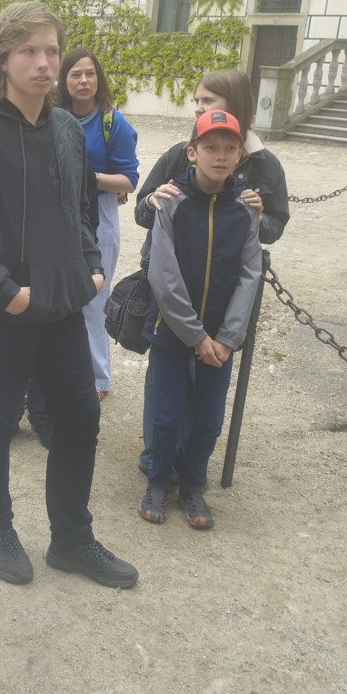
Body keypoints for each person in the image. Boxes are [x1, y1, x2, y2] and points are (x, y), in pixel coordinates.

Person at [0, 1, 138, 590]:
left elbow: (82, 207)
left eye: (51, 51)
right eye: (29, 51)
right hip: (7, 312)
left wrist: (92, 268)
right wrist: (7, 293)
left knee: (81, 418)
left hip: (63, 302)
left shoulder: (66, 127)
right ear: (3, 59)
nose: (44, 63)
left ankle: (71, 539)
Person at [134, 68, 289, 478]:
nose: (198, 108)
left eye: (208, 101)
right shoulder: (180, 152)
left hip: (221, 297)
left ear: (234, 107)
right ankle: (157, 463)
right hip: (174, 290)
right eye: (198, 100)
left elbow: (274, 226)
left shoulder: (265, 165)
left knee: (206, 397)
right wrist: (152, 201)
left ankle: (189, 468)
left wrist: (256, 217)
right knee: (165, 388)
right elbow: (142, 210)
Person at [139, 109, 262, 529]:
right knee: (167, 414)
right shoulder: (172, 202)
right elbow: (163, 273)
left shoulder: (244, 210)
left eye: (229, 148)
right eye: (211, 147)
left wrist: (228, 337)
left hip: (221, 340)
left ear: (240, 154)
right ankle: (158, 481)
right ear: (192, 152)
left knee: (209, 419)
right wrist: (194, 335)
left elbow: (250, 273)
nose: (220, 155)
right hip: (174, 333)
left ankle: (193, 485)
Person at [57, 48, 139, 399]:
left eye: (90, 74)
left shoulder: (112, 123)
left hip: (100, 213)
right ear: (64, 80)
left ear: (99, 79)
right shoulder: (51, 115)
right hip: (59, 213)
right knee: (59, 296)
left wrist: (87, 177)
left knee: (94, 296)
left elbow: (129, 181)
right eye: (75, 74)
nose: (83, 81)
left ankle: (97, 379)